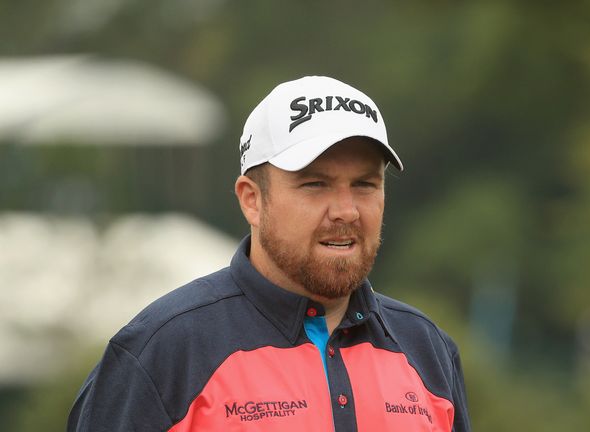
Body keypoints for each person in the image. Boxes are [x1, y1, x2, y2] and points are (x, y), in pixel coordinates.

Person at [67, 76, 471, 431]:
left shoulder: (428, 350)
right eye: (315, 184)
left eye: (365, 184)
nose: (346, 211)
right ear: (252, 200)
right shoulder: (162, 352)